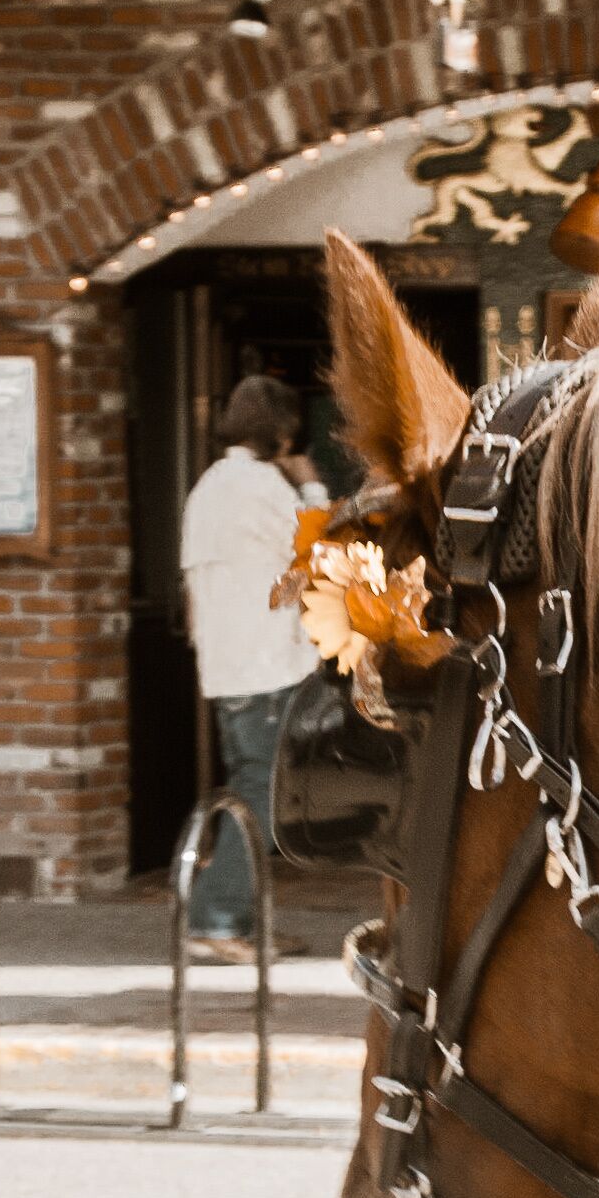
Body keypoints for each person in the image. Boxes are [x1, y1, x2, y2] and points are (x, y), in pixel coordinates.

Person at [178, 373, 324, 964]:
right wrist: (311, 484)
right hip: (267, 667)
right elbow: (319, 550)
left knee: (250, 792)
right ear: (283, 432)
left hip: (228, 668)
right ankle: (215, 921)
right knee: (260, 799)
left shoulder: (208, 487)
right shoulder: (263, 487)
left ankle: (235, 921)